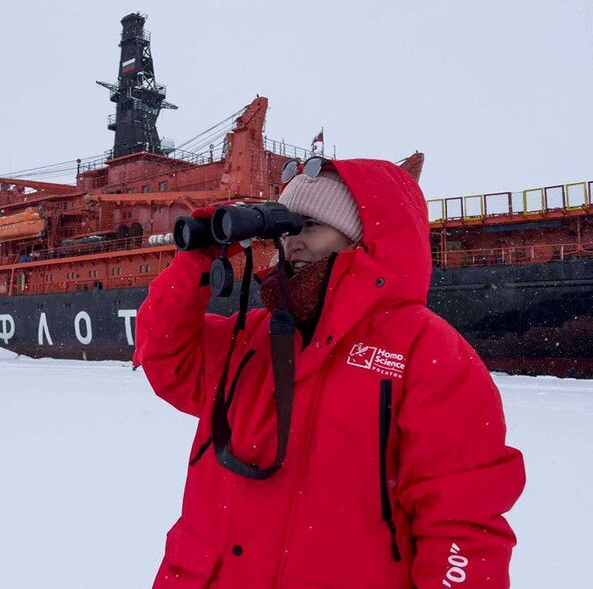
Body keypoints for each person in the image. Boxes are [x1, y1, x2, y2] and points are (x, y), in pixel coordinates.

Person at [133, 158, 526, 588]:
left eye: (311, 226)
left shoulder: (429, 354)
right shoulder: (252, 339)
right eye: (285, 230)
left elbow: (461, 526)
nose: (291, 245)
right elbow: (163, 355)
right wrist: (197, 259)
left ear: (364, 239)